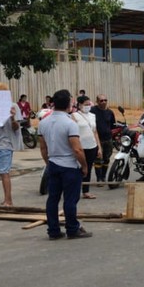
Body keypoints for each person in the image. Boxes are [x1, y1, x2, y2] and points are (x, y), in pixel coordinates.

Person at [38, 89, 91, 239]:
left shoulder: (43, 123)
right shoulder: (70, 123)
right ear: (69, 104)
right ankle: (72, 229)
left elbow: (43, 148)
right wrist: (85, 166)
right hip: (69, 166)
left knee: (53, 199)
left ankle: (53, 230)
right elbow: (77, 149)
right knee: (70, 199)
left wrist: (49, 163)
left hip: (53, 164)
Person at [0, 82, 23, 206]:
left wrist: (12, 117)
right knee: (1, 172)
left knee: (4, 171)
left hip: (6, 143)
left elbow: (16, 127)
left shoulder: (13, 106)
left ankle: (9, 200)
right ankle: (6, 199)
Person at [73, 95, 102, 199]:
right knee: (77, 169)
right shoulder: (74, 116)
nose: (88, 106)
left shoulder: (92, 116)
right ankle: (74, 190)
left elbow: (95, 132)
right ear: (79, 105)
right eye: (86, 104)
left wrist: (99, 147)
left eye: (89, 104)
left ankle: (86, 191)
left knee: (88, 169)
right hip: (80, 147)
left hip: (92, 146)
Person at [90, 94, 117, 182]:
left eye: (105, 100)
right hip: (97, 140)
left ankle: (103, 176)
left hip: (108, 139)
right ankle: (98, 178)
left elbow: (113, 126)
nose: (104, 102)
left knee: (106, 159)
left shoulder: (110, 112)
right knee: (98, 160)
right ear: (97, 102)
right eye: (101, 100)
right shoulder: (92, 111)